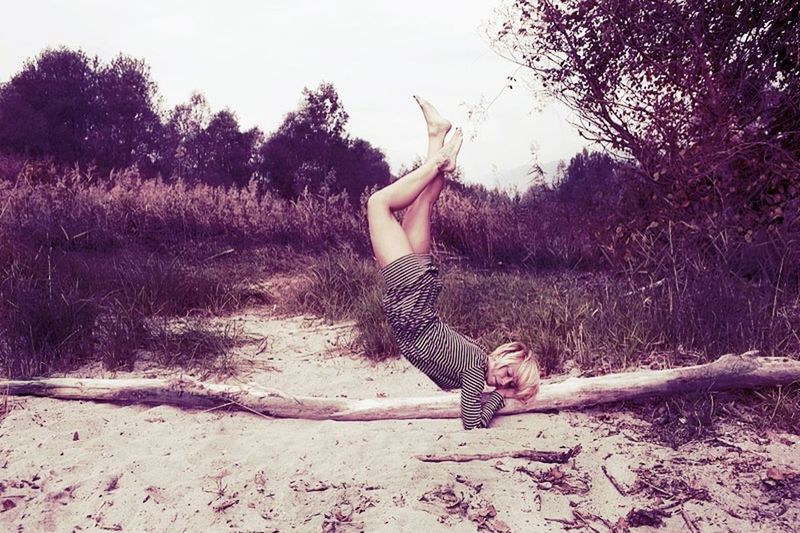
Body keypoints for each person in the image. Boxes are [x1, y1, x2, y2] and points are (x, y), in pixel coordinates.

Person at [366, 96, 541, 430]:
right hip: (410, 300)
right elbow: (471, 422)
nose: (501, 383)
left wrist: (498, 396)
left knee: (423, 201)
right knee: (378, 204)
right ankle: (440, 160)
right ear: (505, 353)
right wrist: (497, 402)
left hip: (418, 298)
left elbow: (472, 405)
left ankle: (436, 134)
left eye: (508, 386)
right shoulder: (476, 369)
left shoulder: (476, 361)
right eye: (508, 374)